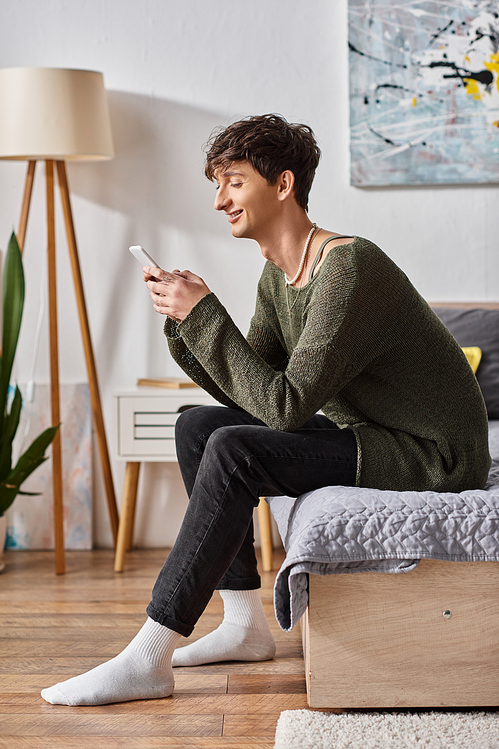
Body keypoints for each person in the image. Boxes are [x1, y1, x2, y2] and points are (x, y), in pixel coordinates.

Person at [41, 113, 490, 707]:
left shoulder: (348, 268)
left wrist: (205, 315)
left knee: (234, 449)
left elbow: (283, 406)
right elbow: (248, 393)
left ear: (282, 185)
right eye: (216, 184)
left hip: (432, 455)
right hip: (372, 435)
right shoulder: (277, 278)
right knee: (199, 425)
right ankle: (242, 623)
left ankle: (149, 656)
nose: (220, 199)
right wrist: (187, 320)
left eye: (233, 181)